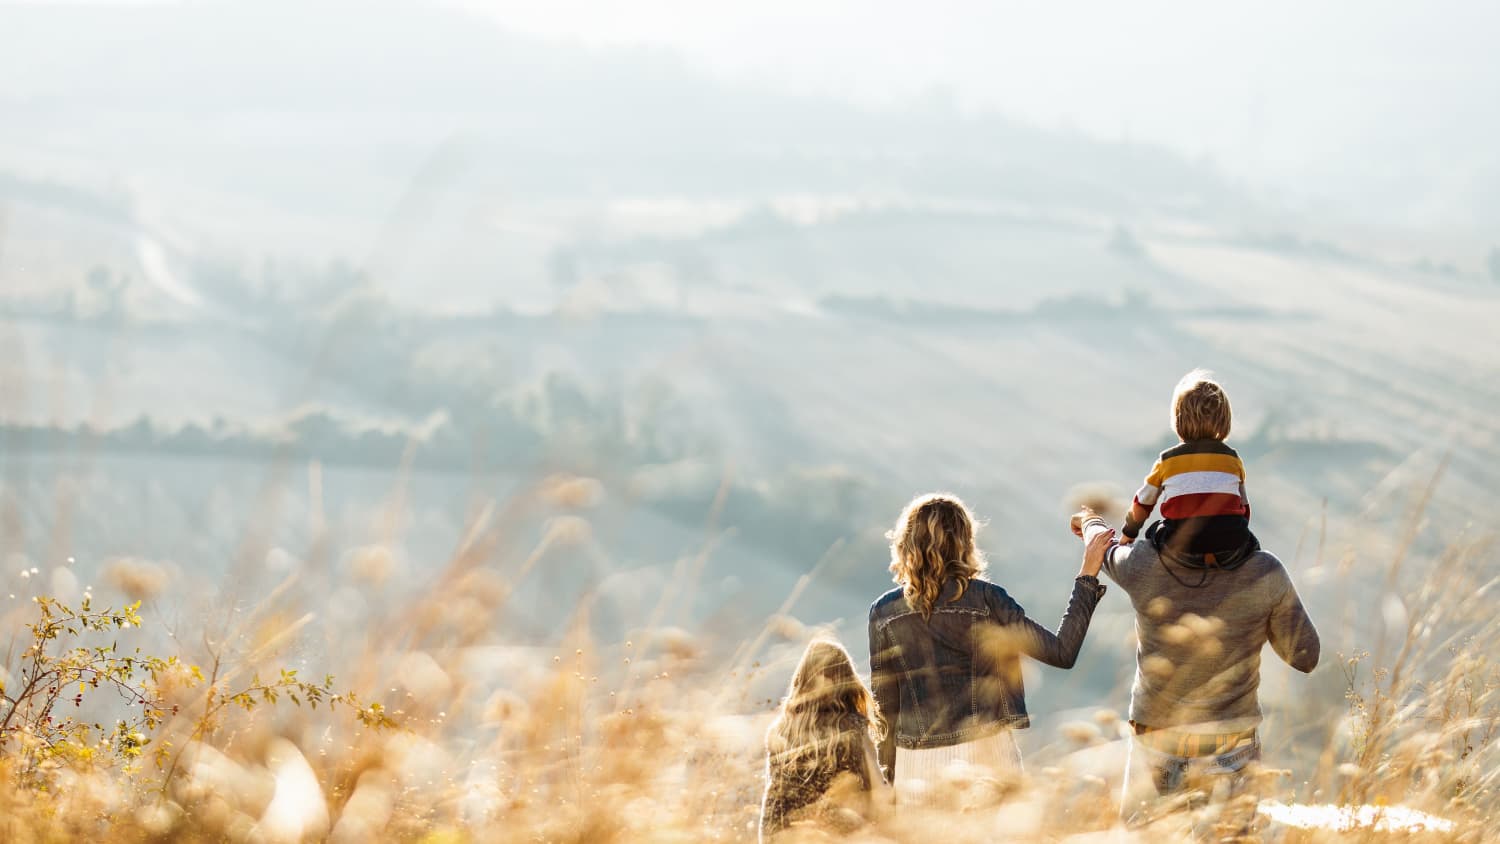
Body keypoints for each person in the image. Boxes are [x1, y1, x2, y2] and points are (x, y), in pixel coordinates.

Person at [1072, 506, 1319, 829]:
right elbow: (1304, 656)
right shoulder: (1263, 570)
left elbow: (1102, 545)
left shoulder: (1143, 561)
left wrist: (1088, 518)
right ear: (1241, 510)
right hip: (1231, 745)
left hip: (1155, 742)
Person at [868, 493, 1112, 805]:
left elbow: (884, 707)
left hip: (915, 767)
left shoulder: (883, 612)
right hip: (987, 755)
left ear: (905, 544)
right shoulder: (988, 600)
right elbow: (1062, 652)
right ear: (965, 543)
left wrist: (890, 778)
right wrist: (1088, 574)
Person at [760, 639, 888, 841]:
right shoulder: (854, 727)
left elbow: (772, 799)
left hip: (784, 835)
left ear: (802, 680)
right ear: (846, 681)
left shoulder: (779, 730)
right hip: (838, 833)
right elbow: (879, 791)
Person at [1120, 369, 1251, 560]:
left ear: (1178, 419)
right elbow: (1243, 508)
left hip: (1180, 543)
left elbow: (1143, 502)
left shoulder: (1167, 460)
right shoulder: (1232, 459)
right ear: (1225, 420)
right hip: (1229, 541)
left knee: (1154, 533)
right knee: (1251, 542)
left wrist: (1128, 534)